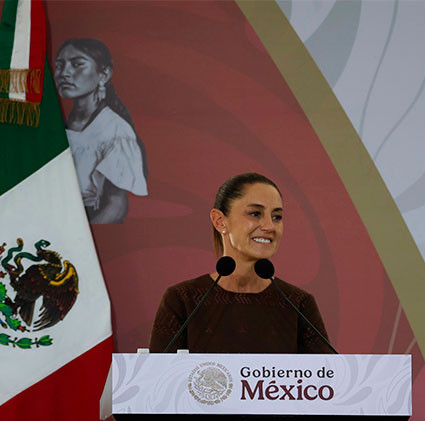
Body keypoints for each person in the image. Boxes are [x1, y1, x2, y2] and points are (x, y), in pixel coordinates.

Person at [149, 173, 332, 354]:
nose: (269, 226)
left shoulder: (298, 304)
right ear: (220, 221)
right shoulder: (183, 300)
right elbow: (157, 379)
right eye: (255, 214)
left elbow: (328, 379)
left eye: (277, 217)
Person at [54, 38, 148, 224]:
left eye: (77, 64)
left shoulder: (115, 131)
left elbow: (116, 206)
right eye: (59, 66)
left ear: (103, 74)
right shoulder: (55, 124)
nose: (65, 73)